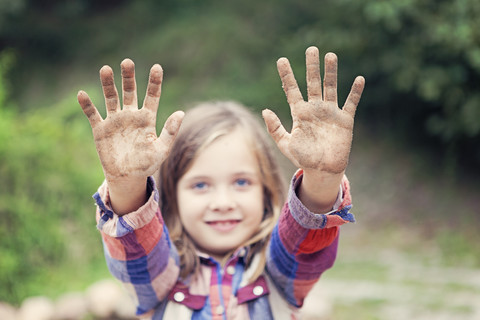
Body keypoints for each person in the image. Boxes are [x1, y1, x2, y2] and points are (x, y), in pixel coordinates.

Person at [77, 46, 365, 319]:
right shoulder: (161, 278)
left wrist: (322, 178)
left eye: (241, 182)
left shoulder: (280, 273)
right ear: (174, 197)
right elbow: (138, 251)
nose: (223, 203)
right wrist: (128, 183)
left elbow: (304, 240)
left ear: (266, 192)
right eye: (200, 185)